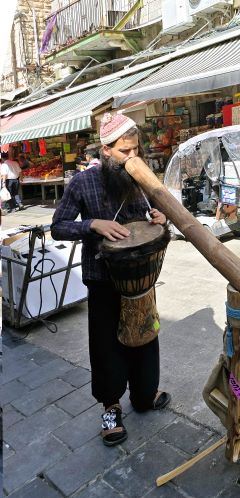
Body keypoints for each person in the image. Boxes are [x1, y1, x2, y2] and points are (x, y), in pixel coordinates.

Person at [51, 113, 171, 447]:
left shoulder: (141, 178)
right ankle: (110, 407)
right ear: (106, 150)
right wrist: (92, 225)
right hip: (102, 279)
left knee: (146, 336)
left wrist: (159, 219)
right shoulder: (82, 183)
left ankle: (144, 394)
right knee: (107, 346)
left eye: (135, 151)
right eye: (124, 151)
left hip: (141, 278)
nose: (132, 158)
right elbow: (58, 226)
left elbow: (153, 219)